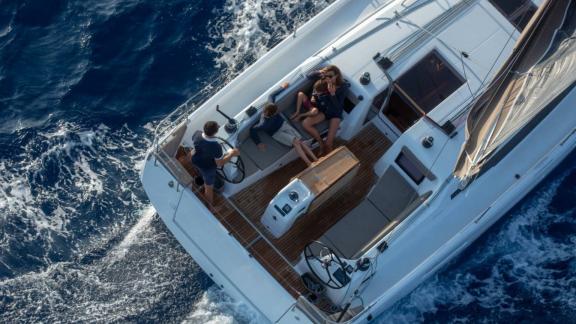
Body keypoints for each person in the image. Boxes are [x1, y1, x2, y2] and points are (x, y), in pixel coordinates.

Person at [250, 103, 318, 166]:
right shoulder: (263, 123)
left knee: (301, 142)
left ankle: (315, 159)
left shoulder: (271, 114)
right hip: (277, 133)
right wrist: (258, 142)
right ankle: (309, 163)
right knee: (296, 142)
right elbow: (252, 130)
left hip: (284, 125)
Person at [300, 65, 347, 154]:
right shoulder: (325, 78)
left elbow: (338, 106)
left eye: (330, 76)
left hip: (335, 114)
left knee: (328, 144)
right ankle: (320, 143)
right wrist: (320, 72)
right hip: (324, 111)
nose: (327, 78)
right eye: (326, 76)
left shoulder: (343, 87)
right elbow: (309, 76)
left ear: (336, 76)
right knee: (305, 123)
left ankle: (328, 157)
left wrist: (332, 94)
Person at [191, 121, 240, 205]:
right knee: (208, 188)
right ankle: (210, 208)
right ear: (216, 132)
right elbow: (219, 164)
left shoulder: (197, 133)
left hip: (195, 160)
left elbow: (195, 148)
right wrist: (232, 154)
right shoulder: (216, 147)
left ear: (204, 128)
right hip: (207, 169)